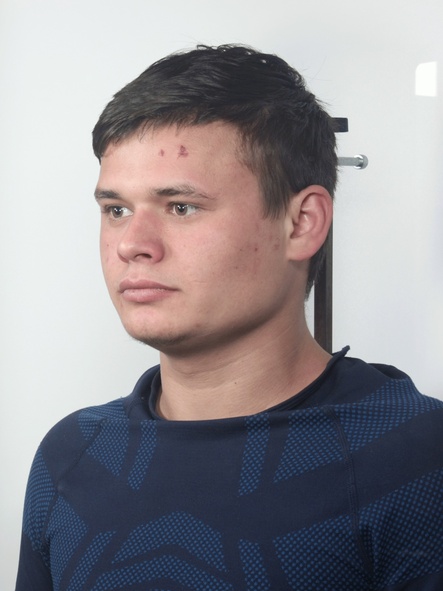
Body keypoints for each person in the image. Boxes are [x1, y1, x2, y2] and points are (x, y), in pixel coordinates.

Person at [16, 44, 443, 591]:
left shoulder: (414, 458)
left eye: (181, 207)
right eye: (116, 210)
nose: (131, 244)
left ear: (302, 224)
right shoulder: (72, 456)